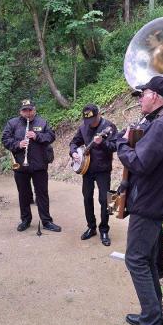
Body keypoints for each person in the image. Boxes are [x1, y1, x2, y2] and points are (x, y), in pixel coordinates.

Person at [116, 76, 163, 325]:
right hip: (160, 202)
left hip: (150, 205)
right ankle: (152, 315)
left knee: (135, 260)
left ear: (155, 96)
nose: (141, 99)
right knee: (146, 260)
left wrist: (122, 144)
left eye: (143, 94)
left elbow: (140, 162)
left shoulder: (162, 125)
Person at [2, 99, 61, 233]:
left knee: (42, 194)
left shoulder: (42, 122)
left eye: (30, 110)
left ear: (34, 110)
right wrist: (18, 144)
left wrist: (37, 136)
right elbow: (5, 139)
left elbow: (51, 136)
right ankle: (25, 220)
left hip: (40, 164)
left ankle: (46, 221)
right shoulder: (12, 123)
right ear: (20, 111)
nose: (27, 113)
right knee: (23, 194)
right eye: (25, 110)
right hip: (21, 166)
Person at [69, 104, 117, 246]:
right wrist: (73, 153)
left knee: (106, 199)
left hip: (103, 169)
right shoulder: (84, 127)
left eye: (93, 120)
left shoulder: (109, 126)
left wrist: (102, 143)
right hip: (87, 169)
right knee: (87, 197)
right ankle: (91, 227)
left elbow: (115, 146)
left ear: (99, 115)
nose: (90, 124)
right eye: (87, 121)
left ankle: (104, 229)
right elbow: (74, 143)